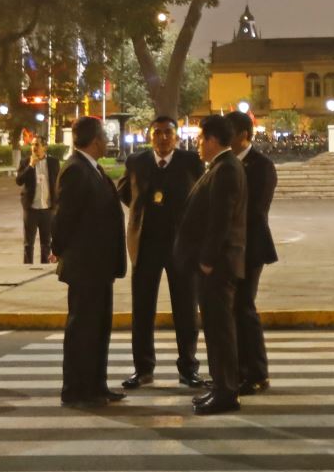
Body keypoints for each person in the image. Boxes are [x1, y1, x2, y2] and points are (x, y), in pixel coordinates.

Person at [121, 115, 205, 389]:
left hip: (181, 246)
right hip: (145, 245)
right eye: (157, 132)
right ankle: (143, 368)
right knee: (142, 309)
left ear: (177, 137)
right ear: (149, 136)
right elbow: (125, 192)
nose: (163, 137)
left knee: (186, 309)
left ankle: (188, 368)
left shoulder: (191, 162)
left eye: (168, 132)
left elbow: (201, 195)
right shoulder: (136, 162)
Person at [174, 114, 249, 414]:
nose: (198, 144)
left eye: (201, 138)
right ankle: (221, 387)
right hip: (215, 264)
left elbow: (221, 220)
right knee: (216, 329)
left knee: (220, 331)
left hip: (217, 266)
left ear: (214, 139)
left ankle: (226, 392)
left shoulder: (227, 169)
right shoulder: (220, 167)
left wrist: (206, 260)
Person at [53, 116, 127, 407]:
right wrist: (60, 249)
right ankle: (76, 390)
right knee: (82, 331)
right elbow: (63, 219)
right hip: (85, 266)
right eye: (105, 138)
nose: (107, 143)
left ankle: (97, 386)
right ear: (96, 140)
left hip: (100, 266)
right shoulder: (75, 170)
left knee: (98, 329)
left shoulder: (91, 169)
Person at [226, 109, 278, 394]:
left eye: (229, 132)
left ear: (243, 135)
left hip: (250, 247)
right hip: (231, 248)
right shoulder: (226, 163)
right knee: (234, 310)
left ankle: (257, 372)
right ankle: (237, 370)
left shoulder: (261, 166)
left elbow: (256, 210)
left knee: (244, 308)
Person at [16, 141, 59, 265]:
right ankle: (27, 268)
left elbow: (57, 181)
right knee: (28, 243)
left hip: (47, 208)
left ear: (44, 147)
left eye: (37, 145)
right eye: (33, 144)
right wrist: (30, 166)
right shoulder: (25, 162)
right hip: (31, 209)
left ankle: (44, 267)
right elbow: (19, 181)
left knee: (46, 243)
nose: (34, 147)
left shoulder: (53, 162)